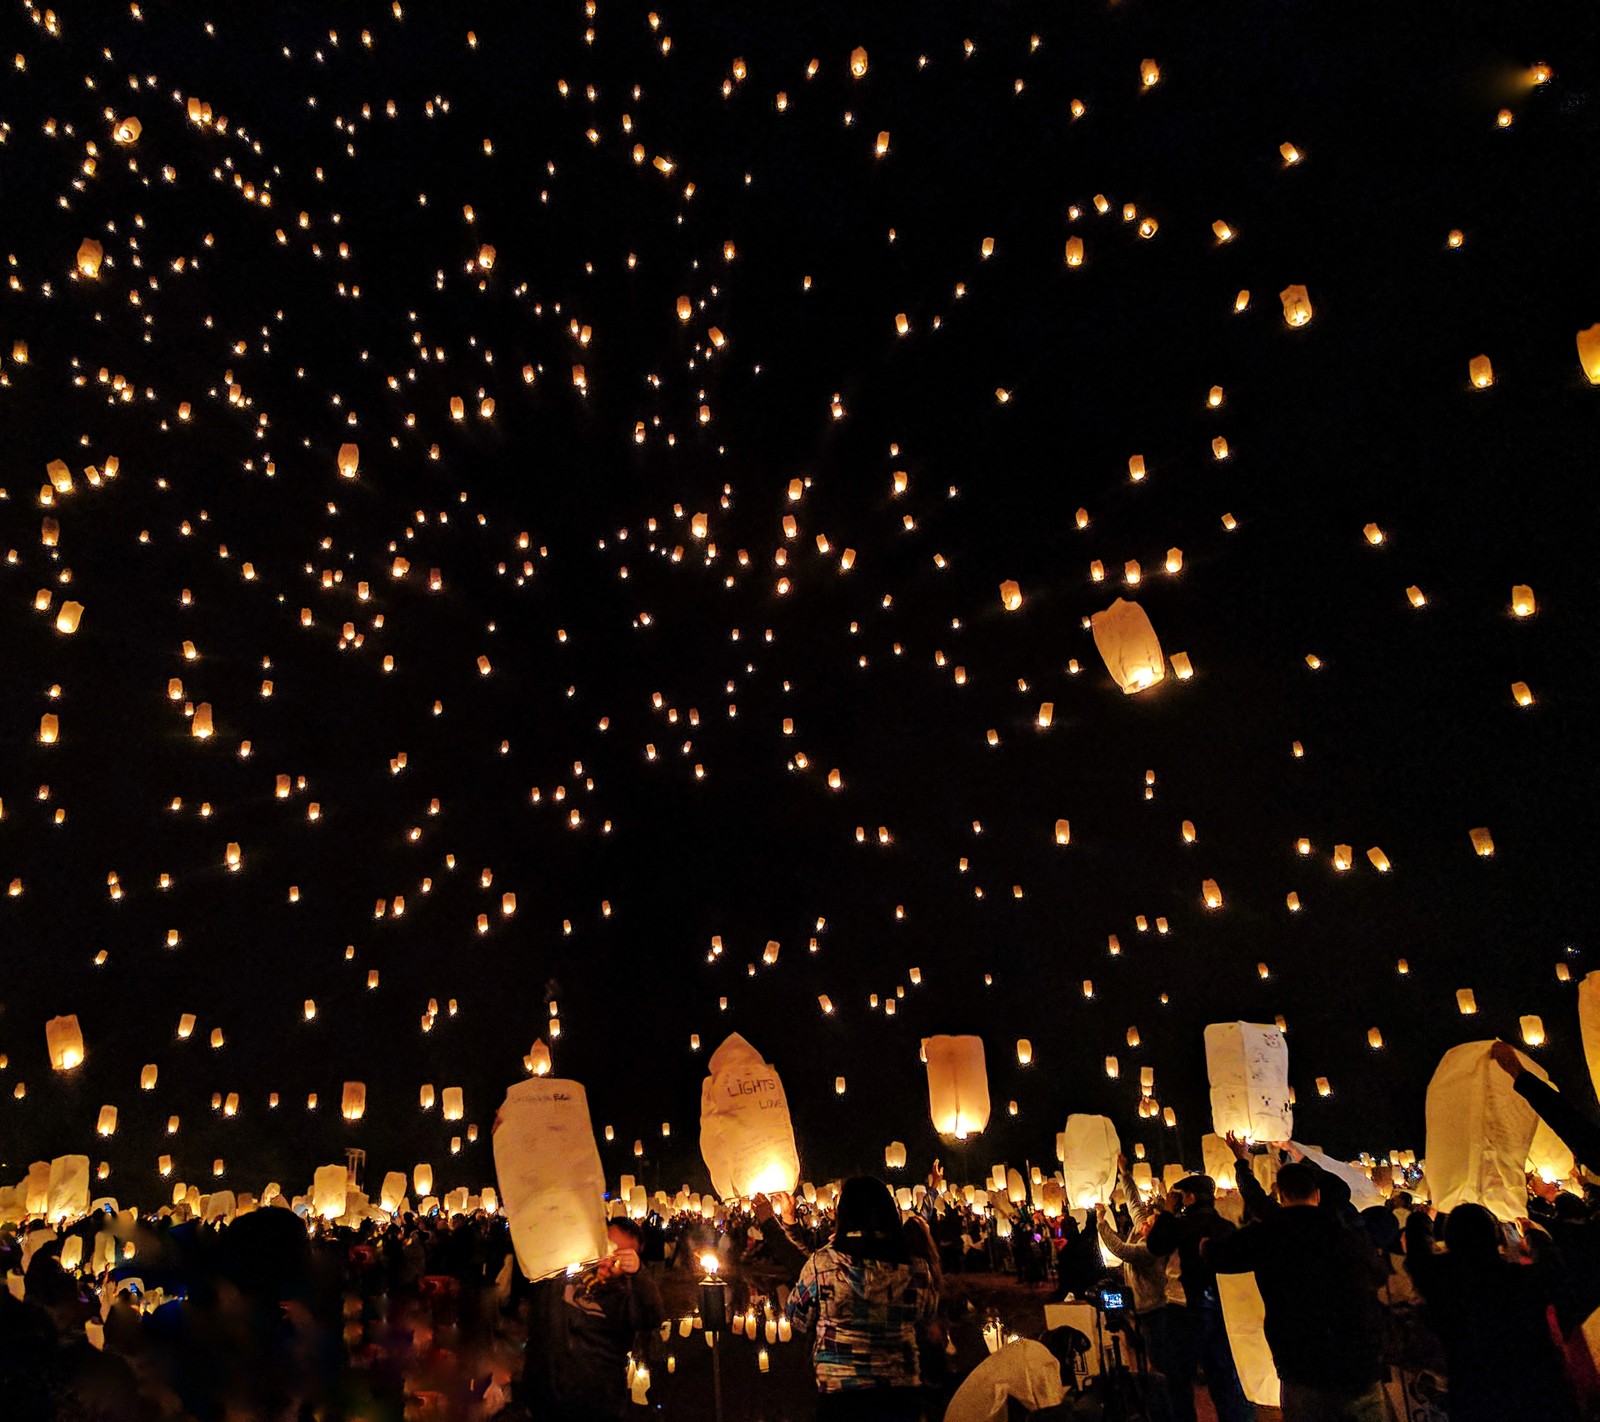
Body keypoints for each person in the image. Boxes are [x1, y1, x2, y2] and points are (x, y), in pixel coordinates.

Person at [1207, 1159, 1387, 1421]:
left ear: (1280, 1194)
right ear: (1316, 1194)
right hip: (1360, 1362)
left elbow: (1221, 1256)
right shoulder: (1347, 1234)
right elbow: (1378, 1275)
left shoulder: (1269, 1234)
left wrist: (1204, 1245)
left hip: (1302, 1362)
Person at [1404, 1203, 1579, 1422]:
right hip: (1534, 1387)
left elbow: (1418, 1255)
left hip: (1474, 1393)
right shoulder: (1518, 1281)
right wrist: (1533, 1234)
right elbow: (1553, 1269)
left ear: (1449, 1239)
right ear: (1495, 1238)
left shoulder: (1441, 1283)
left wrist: (1421, 1219)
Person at [784, 1176, 937, 1420]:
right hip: (902, 1393)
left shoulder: (823, 1264)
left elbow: (797, 1317)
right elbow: (926, 1317)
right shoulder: (916, 1268)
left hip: (841, 1394)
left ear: (843, 1214)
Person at [519, 1216, 665, 1422]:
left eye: (619, 1257)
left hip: (596, 1406)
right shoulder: (565, 1275)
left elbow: (652, 1316)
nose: (607, 1262)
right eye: (605, 1249)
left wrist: (640, 1274)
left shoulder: (626, 1298)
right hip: (544, 1400)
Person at [1146, 1173, 1255, 1422]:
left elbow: (1154, 1245)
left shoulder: (1179, 1225)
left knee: (1179, 1380)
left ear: (1189, 1197)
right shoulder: (1225, 1226)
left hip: (1183, 1309)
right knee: (1223, 1378)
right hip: (1219, 1308)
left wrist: (1167, 1211)